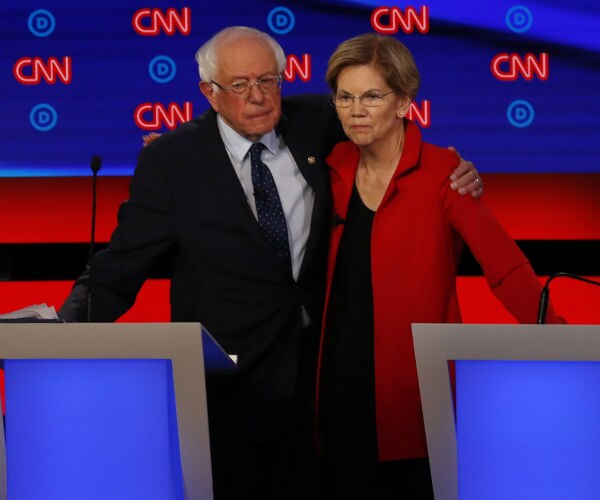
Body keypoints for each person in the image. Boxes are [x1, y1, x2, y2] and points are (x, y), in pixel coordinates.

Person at [59, 27, 481, 500]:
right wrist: (63, 325)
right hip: (230, 391)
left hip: (320, 381)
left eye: (269, 81)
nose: (258, 97)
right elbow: (121, 264)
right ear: (209, 93)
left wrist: (453, 164)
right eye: (239, 85)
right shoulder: (173, 161)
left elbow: (389, 134)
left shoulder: (318, 120)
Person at [314, 33, 565, 500]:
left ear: (405, 102)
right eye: (345, 98)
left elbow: (506, 269)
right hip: (335, 386)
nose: (356, 111)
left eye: (372, 96)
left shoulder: (443, 174)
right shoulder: (327, 166)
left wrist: (568, 346)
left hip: (414, 390)